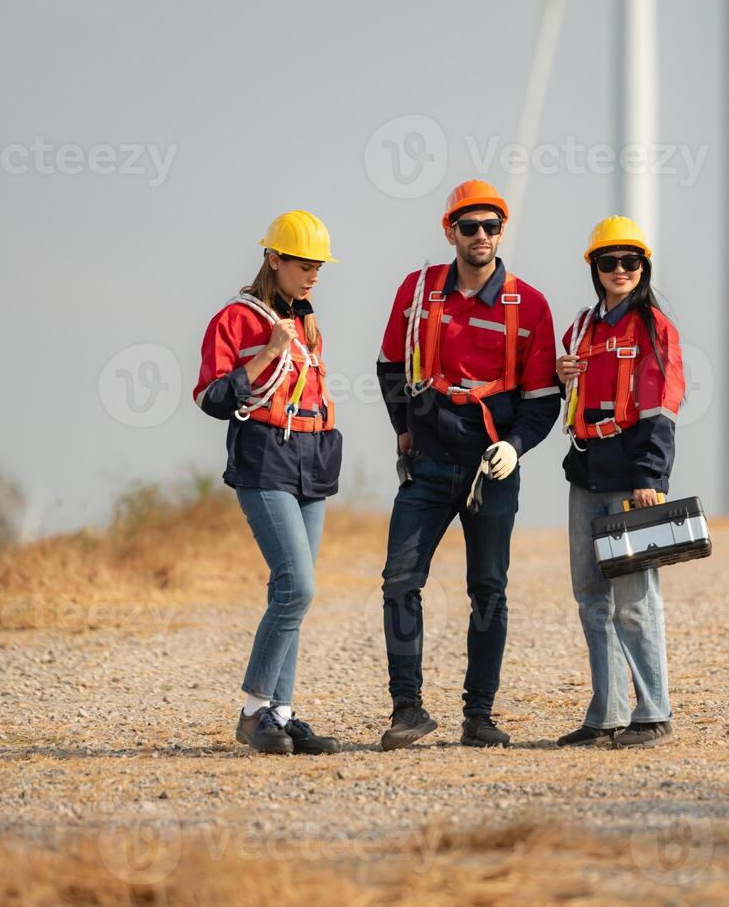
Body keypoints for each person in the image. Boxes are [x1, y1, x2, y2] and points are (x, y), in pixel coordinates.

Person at [374, 180, 562, 750]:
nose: (480, 236)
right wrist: (404, 430)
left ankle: (478, 715)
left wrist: (516, 445)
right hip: (428, 465)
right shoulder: (418, 290)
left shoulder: (529, 305)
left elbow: (542, 399)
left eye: (491, 226)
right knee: (399, 581)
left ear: (502, 232)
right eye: (469, 226)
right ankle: (407, 709)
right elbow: (388, 366)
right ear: (449, 230)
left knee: (489, 590)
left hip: (491, 468)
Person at [193, 210, 343, 756]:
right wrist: (270, 352)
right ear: (273, 259)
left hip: (312, 456)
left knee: (289, 595)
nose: (313, 277)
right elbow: (211, 398)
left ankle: (281, 713)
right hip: (265, 458)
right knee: (298, 586)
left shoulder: (306, 317)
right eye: (304, 265)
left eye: (319, 268)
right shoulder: (235, 319)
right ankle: (254, 710)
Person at [554, 216, 685, 750]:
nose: (620, 270)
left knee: (635, 600)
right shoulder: (582, 328)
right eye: (608, 262)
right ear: (594, 268)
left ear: (643, 266)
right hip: (585, 470)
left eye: (630, 261)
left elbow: (662, 407)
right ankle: (606, 713)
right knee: (591, 597)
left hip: (632, 476)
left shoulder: (654, 327)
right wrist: (560, 374)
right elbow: (553, 383)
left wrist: (651, 477)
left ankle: (654, 713)